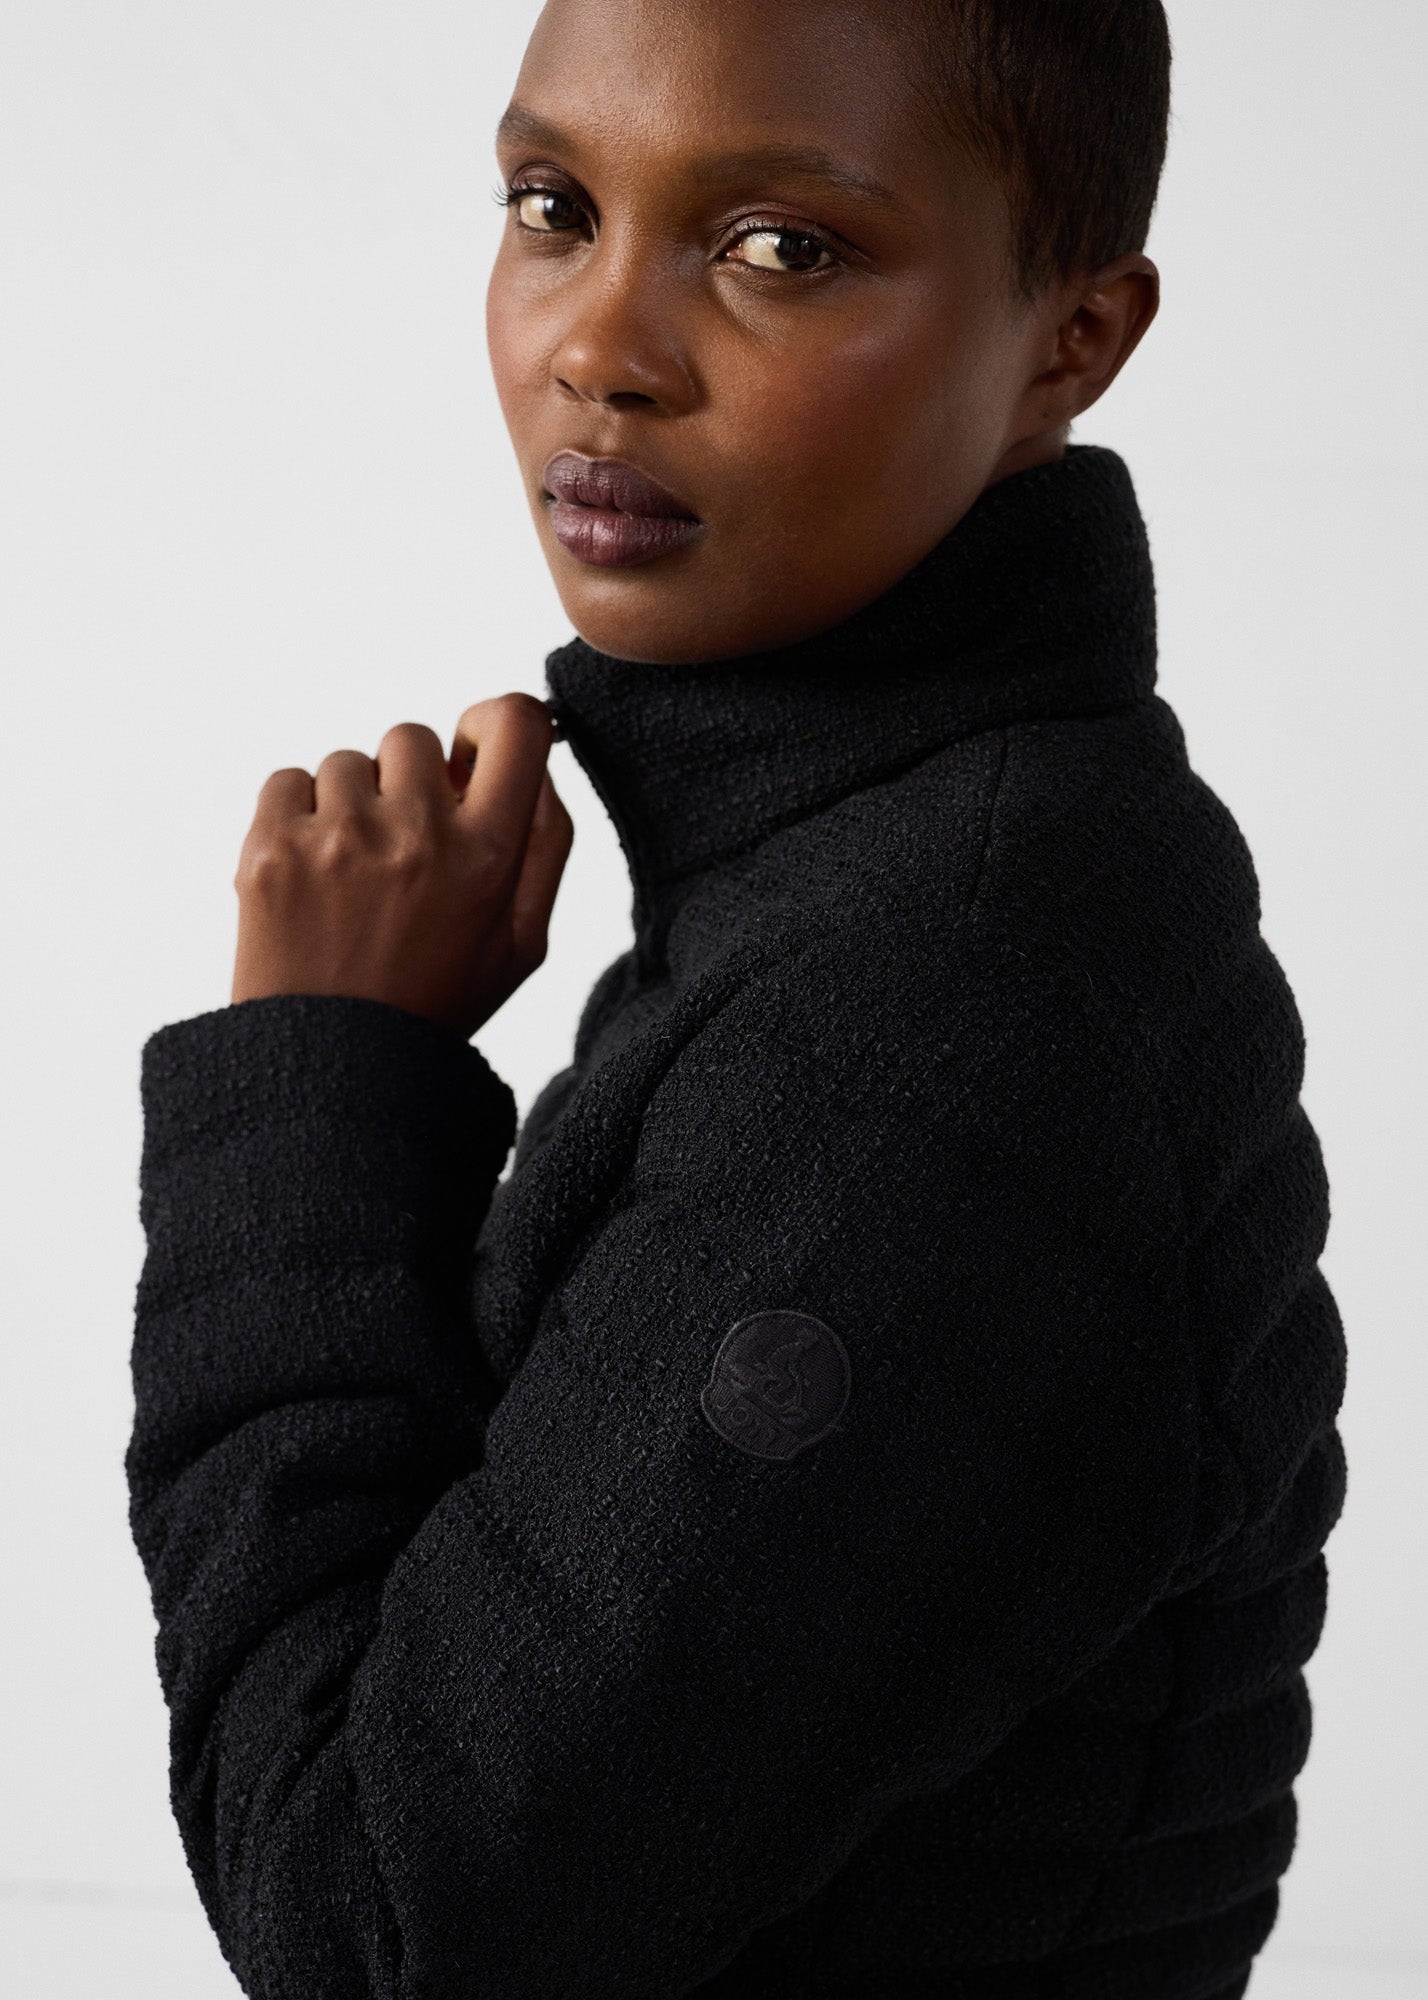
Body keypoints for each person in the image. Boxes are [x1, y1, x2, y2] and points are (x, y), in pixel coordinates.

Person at [127, 1, 1347, 1995]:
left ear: (1073, 340)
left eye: (782, 246)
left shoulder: (946, 1001)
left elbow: (381, 1929)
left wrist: (319, 1093)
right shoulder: (912, 865)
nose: (600, 348)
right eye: (553, 204)